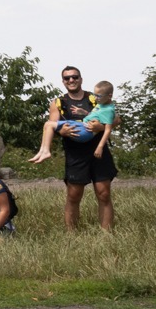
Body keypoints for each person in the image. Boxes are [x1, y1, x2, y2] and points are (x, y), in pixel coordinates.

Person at [31, 68, 118, 233]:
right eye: (67, 78)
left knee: (104, 193)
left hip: (98, 151)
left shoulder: (94, 98)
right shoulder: (58, 102)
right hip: (75, 153)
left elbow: (116, 119)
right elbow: (52, 127)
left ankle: (107, 235)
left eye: (74, 77)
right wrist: (61, 132)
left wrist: (100, 127)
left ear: (80, 79)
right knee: (73, 195)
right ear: (63, 81)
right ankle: (72, 235)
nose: (71, 80)